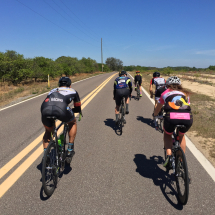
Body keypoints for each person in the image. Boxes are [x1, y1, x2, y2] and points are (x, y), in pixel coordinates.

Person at [153, 76, 193, 167]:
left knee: (167, 134)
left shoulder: (165, 93)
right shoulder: (185, 94)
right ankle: (181, 161)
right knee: (181, 136)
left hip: (171, 117)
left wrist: (155, 115)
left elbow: (158, 108)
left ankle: (169, 155)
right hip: (187, 117)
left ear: (167, 85)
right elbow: (186, 106)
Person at [41, 77, 81, 161]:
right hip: (61, 109)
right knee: (72, 122)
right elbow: (77, 107)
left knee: (48, 131)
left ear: (59, 85)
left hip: (45, 108)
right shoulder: (73, 91)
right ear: (70, 85)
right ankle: (69, 149)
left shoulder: (52, 90)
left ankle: (46, 155)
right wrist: (73, 111)